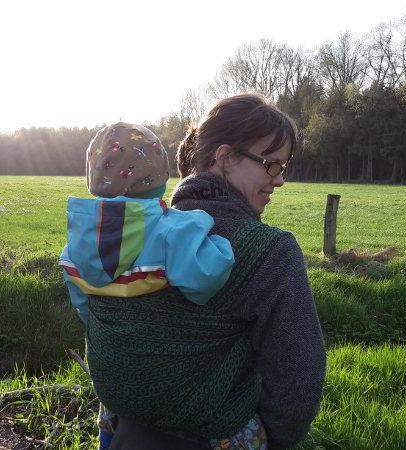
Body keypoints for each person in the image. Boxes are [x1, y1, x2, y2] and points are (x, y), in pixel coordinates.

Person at [85, 95, 326, 450]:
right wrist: (270, 440)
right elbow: (298, 376)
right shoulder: (268, 250)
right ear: (225, 157)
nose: (279, 180)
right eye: (270, 165)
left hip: (121, 432)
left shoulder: (123, 234)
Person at [59, 122, 235, 450]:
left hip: (110, 382)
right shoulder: (172, 232)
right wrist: (205, 227)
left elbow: (87, 311)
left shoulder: (73, 249)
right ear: (159, 176)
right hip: (167, 390)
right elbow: (206, 280)